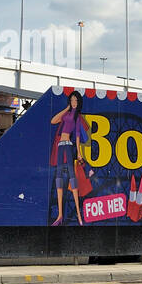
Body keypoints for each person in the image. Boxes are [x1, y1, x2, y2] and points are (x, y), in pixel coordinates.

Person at [49, 91, 90, 226]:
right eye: (72, 100)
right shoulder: (66, 114)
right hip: (60, 145)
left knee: (72, 178)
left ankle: (79, 214)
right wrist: (66, 108)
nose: (73, 103)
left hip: (68, 145)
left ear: (78, 103)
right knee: (59, 178)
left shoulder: (77, 117)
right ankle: (60, 215)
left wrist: (79, 152)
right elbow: (53, 120)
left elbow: (77, 136)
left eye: (75, 101)